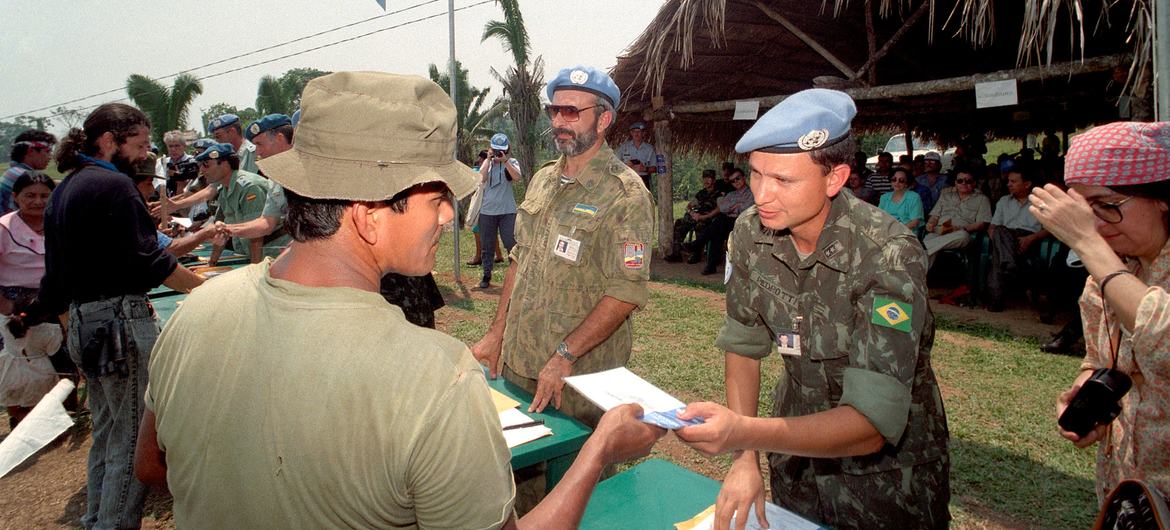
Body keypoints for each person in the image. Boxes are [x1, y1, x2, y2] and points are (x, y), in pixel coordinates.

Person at [134, 71, 664, 529]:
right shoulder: (433, 376)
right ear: (368, 216)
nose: (448, 217)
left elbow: (154, 470)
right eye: (435, 198)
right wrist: (598, 450)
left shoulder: (195, 313)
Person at [673, 88, 950, 530]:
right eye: (757, 174)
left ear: (835, 179)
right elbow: (743, 345)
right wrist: (746, 459)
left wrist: (744, 432)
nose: (762, 194)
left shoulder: (887, 254)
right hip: (796, 460)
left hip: (887, 479)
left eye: (783, 180)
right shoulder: (751, 232)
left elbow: (870, 424)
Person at [39, 103, 204, 529]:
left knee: (110, 434)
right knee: (133, 439)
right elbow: (151, 263)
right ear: (110, 141)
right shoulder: (114, 186)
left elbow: (53, 277)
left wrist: (72, 325)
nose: (146, 152)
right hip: (118, 323)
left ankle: (97, 519)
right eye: (141, 144)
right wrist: (209, 290)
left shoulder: (66, 188)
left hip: (84, 322)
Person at [471, 65, 654, 426]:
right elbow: (519, 261)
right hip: (521, 363)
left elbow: (625, 292)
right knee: (524, 473)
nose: (559, 121)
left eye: (571, 111)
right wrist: (497, 334)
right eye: (554, 110)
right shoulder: (542, 180)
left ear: (603, 120)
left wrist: (564, 355)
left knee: (577, 472)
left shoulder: (627, 195)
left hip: (578, 378)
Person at [1030, 121, 1170, 505]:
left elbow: (1164, 343)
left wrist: (1089, 244)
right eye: (1082, 210)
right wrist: (1085, 389)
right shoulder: (1106, 271)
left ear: (1161, 197)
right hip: (1127, 487)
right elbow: (1100, 356)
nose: (1092, 224)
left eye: (1107, 206)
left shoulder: (1103, 262)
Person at [195, 143, 291, 265]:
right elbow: (221, 232)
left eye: (206, 165)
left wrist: (254, 270)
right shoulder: (225, 190)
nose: (202, 170)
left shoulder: (249, 187)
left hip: (272, 257)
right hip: (250, 254)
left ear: (225, 165)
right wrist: (211, 263)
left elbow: (257, 236)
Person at [986, 166, 1049, 312]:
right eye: (1008, 181)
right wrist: (1000, 242)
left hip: (1030, 240)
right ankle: (1010, 265)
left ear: (1027, 184)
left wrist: (1031, 238)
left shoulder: (1040, 203)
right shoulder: (1003, 201)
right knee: (1000, 232)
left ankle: (995, 300)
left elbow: (1050, 229)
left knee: (999, 258)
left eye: (1013, 181)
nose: (1008, 184)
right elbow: (992, 228)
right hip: (1006, 237)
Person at [0, 173, 54, 316]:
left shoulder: (59, 223)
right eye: (30, 196)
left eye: (44, 196)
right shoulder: (3, 228)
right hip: (12, 305)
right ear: (15, 197)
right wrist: (5, 306)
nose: (38, 202)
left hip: (54, 302)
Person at [683, 167, 753, 275]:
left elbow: (747, 209)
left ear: (744, 178)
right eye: (732, 181)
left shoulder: (752, 193)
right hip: (728, 222)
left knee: (719, 223)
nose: (736, 182)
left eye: (738, 178)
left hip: (744, 223)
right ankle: (710, 265)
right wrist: (736, 207)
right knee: (718, 231)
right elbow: (723, 208)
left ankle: (698, 245)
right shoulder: (731, 194)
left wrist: (734, 208)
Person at [477, 132, 521, 289]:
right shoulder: (487, 164)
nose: (498, 153)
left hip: (508, 211)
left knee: (511, 243)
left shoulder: (512, 162)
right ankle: (486, 275)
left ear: (507, 149)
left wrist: (505, 161)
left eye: (501, 150)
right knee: (487, 245)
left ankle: (515, 275)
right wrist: (488, 159)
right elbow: (480, 178)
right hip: (487, 212)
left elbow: (517, 177)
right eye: (496, 150)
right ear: (491, 148)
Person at [923, 167, 991, 268]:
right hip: (939, 230)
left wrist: (961, 229)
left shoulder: (982, 199)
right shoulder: (946, 196)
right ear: (955, 183)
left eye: (968, 181)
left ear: (974, 183)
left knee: (963, 236)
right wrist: (931, 223)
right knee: (929, 240)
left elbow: (982, 223)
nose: (963, 183)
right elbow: (935, 215)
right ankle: (919, 278)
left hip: (962, 232)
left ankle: (921, 248)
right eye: (960, 181)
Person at [664, 169, 724, 262]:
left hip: (709, 219)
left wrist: (705, 216)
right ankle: (676, 253)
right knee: (679, 223)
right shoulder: (701, 193)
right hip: (696, 217)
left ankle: (696, 254)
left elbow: (720, 208)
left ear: (714, 180)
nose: (706, 181)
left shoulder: (719, 193)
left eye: (709, 178)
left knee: (700, 225)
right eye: (704, 178)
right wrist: (692, 212)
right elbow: (689, 205)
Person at [1, 130, 56, 216]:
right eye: (47, 151)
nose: (50, 157)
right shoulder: (22, 176)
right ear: (30, 151)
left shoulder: (14, 172)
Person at [616, 121, 656, 190]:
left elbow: (655, 168)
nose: (636, 134)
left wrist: (644, 169)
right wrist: (625, 166)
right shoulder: (624, 147)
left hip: (643, 179)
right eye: (634, 131)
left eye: (639, 131)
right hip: (627, 178)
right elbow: (615, 164)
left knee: (643, 200)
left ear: (643, 133)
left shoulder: (649, 149)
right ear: (631, 133)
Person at [914, 151, 949, 215]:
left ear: (939, 165)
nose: (928, 164)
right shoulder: (918, 180)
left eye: (932, 162)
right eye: (926, 162)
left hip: (941, 213)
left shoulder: (946, 180)